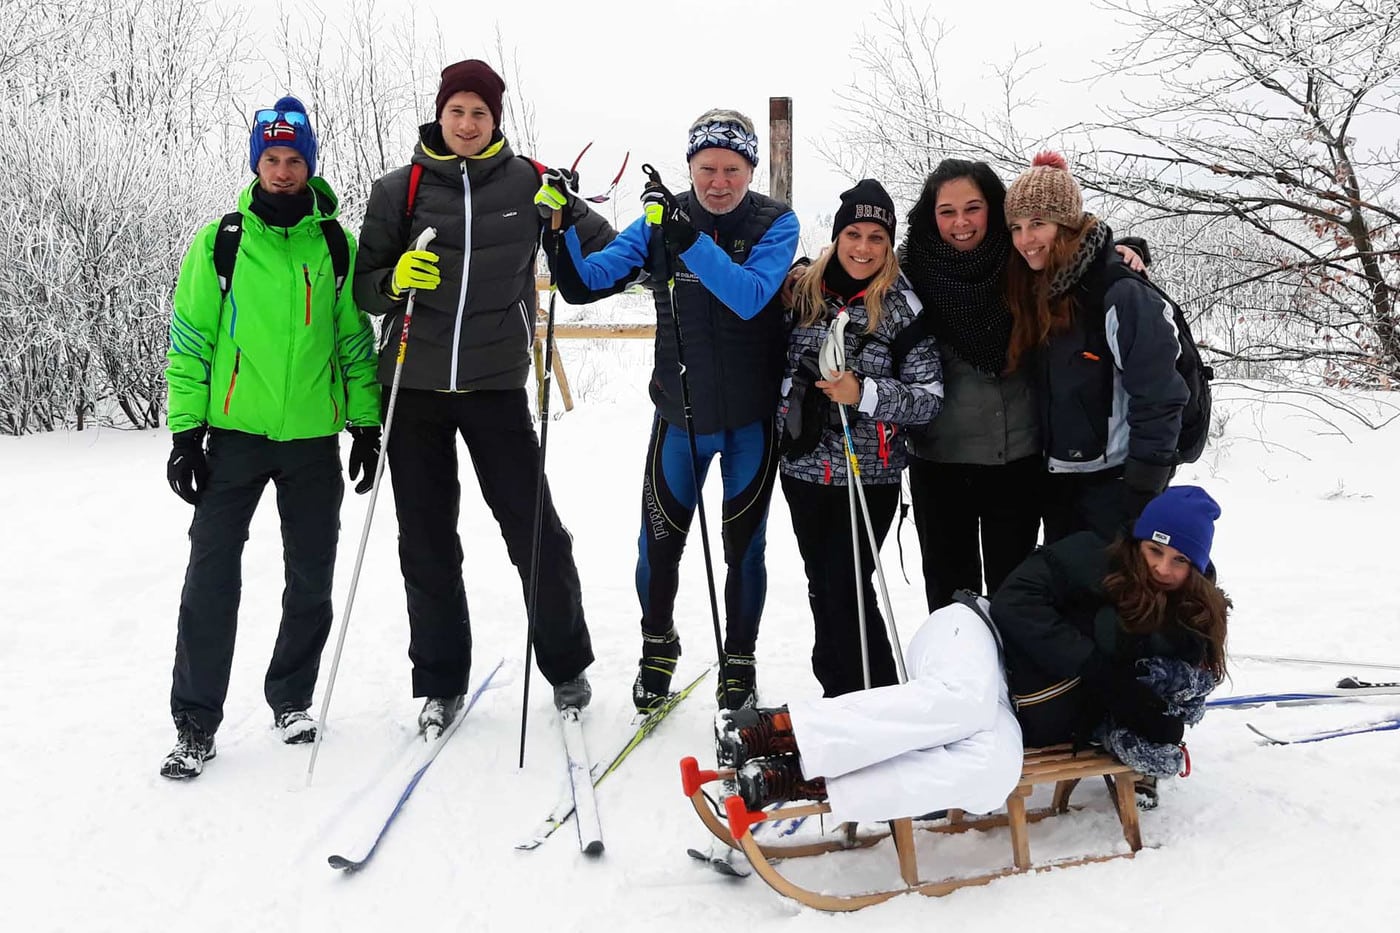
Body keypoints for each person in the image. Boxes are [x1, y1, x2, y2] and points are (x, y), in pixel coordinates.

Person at [353, 60, 607, 734]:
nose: (467, 124)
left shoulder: (530, 182)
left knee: (535, 530)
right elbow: (363, 286)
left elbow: (606, 256)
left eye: (480, 113)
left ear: (496, 120)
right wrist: (394, 280)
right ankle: (440, 682)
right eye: (457, 111)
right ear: (440, 114)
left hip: (495, 386)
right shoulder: (399, 189)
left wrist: (566, 219)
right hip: (413, 388)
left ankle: (567, 666)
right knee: (426, 542)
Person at [547, 109, 800, 711]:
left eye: (732, 169)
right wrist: (559, 228)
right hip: (680, 418)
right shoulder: (657, 222)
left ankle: (740, 658)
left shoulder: (776, 222)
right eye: (707, 168)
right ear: (689, 167)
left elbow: (748, 297)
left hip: (750, 420)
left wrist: (687, 240)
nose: (719, 182)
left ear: (750, 170)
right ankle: (657, 645)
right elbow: (585, 284)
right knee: (657, 547)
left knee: (745, 549)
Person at [161, 96, 382, 779]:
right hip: (234, 439)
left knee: (311, 574)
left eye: (293, 160)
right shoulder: (221, 241)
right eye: (272, 158)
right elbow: (190, 340)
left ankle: (291, 698)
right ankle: (195, 723)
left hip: (312, 442)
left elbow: (353, 342)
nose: (282, 171)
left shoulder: (336, 245)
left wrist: (366, 424)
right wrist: (185, 433)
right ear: (256, 163)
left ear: (309, 165)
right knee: (210, 576)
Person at [779, 179, 943, 697]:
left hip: (868, 473)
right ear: (837, 236)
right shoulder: (801, 292)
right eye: (853, 234)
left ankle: (871, 695)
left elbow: (930, 398)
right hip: (804, 468)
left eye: (877, 237)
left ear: (889, 243)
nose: (864, 248)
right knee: (822, 584)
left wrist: (864, 393)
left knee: (846, 585)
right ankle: (842, 695)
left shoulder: (901, 306)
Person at [990, 485, 1230, 805]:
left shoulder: (1198, 605)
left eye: (1180, 560)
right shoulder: (1093, 556)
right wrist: (1097, 668)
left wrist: (1145, 702)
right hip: (1047, 695)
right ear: (1138, 540)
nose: (1162, 568)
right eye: (1154, 550)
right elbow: (1013, 601)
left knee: (1178, 680)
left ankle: (1132, 743)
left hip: (1111, 697)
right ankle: (1114, 731)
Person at [1002, 152, 1187, 542]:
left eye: (1037, 224)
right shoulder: (1037, 288)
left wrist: (1142, 488)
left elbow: (1159, 395)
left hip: (1114, 486)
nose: (1024, 240)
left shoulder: (1118, 292)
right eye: (1016, 227)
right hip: (1059, 484)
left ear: (1067, 224)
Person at [715, 597, 1023, 823]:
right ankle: (777, 728)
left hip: (1009, 697)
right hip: (978, 631)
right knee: (963, 702)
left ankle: (793, 778)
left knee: (995, 774)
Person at [897, 159, 1045, 612]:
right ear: (931, 215)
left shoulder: (1024, 260)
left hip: (1016, 458)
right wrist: (803, 271)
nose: (961, 222)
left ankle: (1014, 663)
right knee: (951, 606)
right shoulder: (908, 269)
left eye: (973, 208)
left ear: (993, 208)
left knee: (1014, 600)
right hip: (940, 460)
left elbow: (1075, 254)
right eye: (947, 211)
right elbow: (851, 269)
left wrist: (1122, 249)